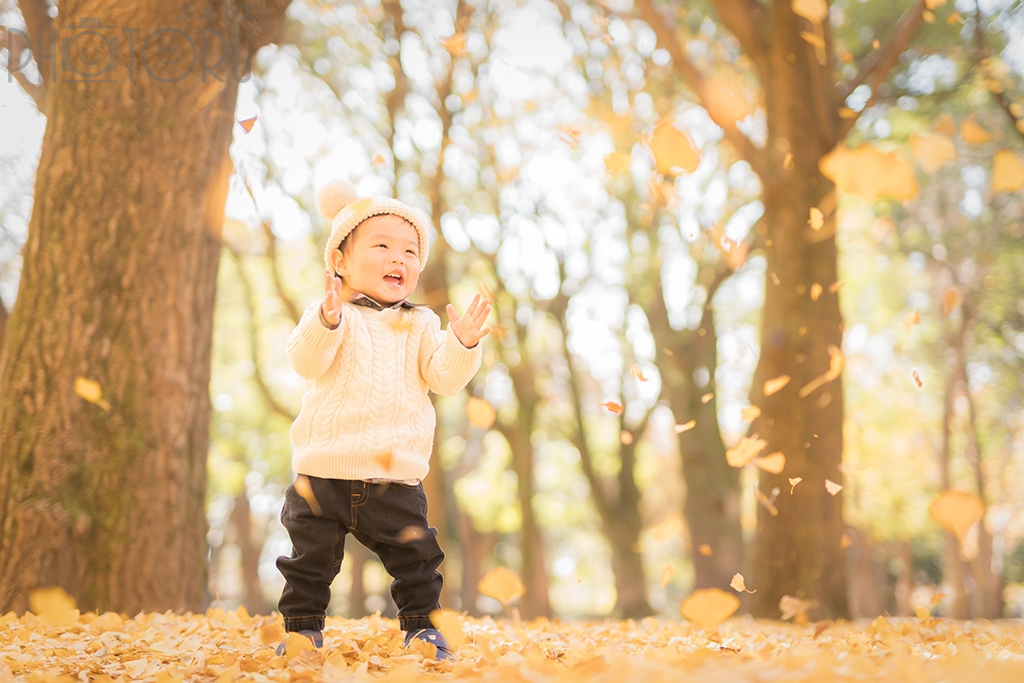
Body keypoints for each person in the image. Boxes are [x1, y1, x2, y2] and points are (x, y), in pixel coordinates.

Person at [275, 180, 491, 659]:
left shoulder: (421, 324)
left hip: (395, 474)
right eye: (382, 246)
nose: (400, 258)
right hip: (324, 471)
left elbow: (444, 377)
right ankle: (302, 633)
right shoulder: (332, 315)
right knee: (308, 562)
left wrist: (464, 344)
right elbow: (305, 363)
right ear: (341, 262)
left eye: (411, 251)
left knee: (418, 560)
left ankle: (422, 630)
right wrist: (325, 321)